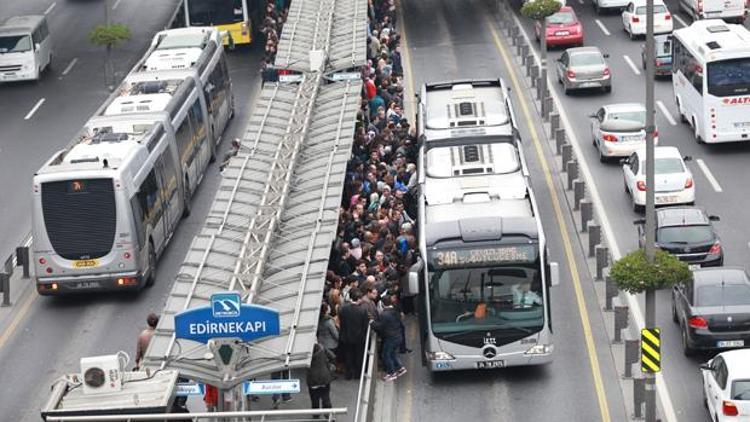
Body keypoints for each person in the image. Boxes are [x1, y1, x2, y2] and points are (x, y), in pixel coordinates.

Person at [371, 296, 406, 381]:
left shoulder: (384, 314)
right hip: (398, 335)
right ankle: (400, 368)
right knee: (392, 353)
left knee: (385, 355)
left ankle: (392, 373)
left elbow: (380, 327)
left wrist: (372, 323)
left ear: (383, 304)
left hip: (391, 338)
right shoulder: (396, 310)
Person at [337, 288, 370, 379]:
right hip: (359, 338)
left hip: (346, 336)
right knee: (359, 356)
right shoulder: (363, 311)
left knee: (348, 355)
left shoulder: (343, 309)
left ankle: (348, 374)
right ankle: (358, 374)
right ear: (358, 299)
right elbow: (365, 325)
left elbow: (342, 322)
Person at [306, 342, 334, 419]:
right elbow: (332, 356)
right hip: (324, 377)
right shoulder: (322, 347)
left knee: (314, 399)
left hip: (312, 379)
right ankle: (328, 415)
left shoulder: (306, 352)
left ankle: (316, 415)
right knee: (326, 397)